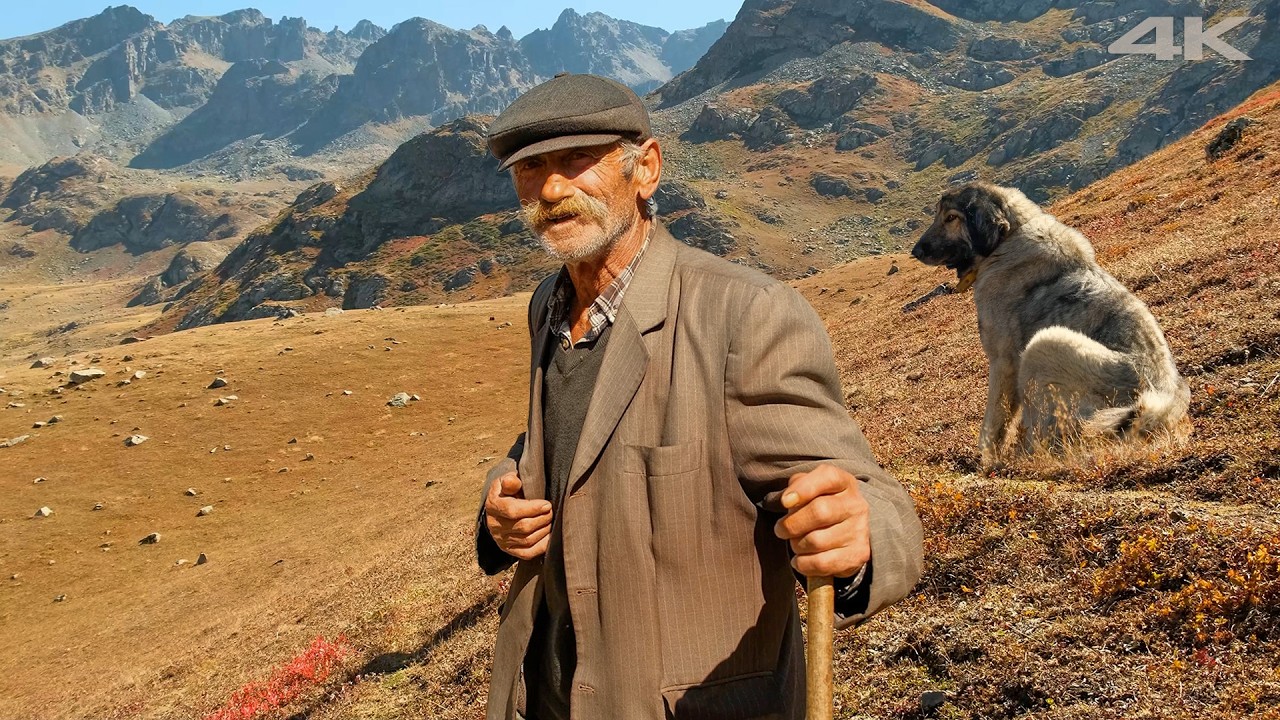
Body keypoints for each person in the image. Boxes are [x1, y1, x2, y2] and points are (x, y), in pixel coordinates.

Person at [474, 72, 924, 720]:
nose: (550, 188)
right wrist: (501, 499)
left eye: (578, 159)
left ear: (646, 169)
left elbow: (873, 499)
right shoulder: (549, 304)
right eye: (530, 166)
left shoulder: (747, 318)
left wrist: (864, 536)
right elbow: (560, 439)